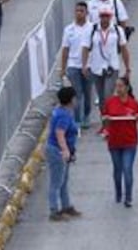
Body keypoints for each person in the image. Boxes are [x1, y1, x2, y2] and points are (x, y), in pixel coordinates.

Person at [100, 77, 138, 207]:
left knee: (127, 169)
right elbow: (104, 119)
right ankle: (118, 192)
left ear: (126, 88)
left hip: (129, 142)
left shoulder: (134, 103)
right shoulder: (110, 102)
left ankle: (129, 197)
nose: (118, 89)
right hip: (114, 141)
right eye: (117, 86)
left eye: (120, 86)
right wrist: (107, 119)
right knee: (117, 169)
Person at [83, 7, 131, 115]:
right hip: (96, 67)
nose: (105, 19)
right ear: (99, 17)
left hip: (112, 67)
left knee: (107, 95)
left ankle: (109, 119)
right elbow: (85, 48)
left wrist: (127, 68)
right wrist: (84, 65)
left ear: (110, 17)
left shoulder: (117, 30)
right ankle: (104, 120)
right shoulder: (92, 30)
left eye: (107, 16)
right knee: (101, 97)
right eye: (103, 16)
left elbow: (124, 49)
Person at [46, 86, 80, 221]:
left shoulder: (61, 111)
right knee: (56, 182)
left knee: (63, 180)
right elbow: (60, 134)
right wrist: (65, 151)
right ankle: (54, 210)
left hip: (58, 149)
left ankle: (66, 206)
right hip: (57, 151)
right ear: (71, 99)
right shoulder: (64, 115)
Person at [60, 2, 94, 129]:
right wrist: (63, 68)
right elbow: (65, 49)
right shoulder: (69, 30)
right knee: (77, 93)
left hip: (89, 65)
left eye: (82, 11)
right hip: (73, 64)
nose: (79, 13)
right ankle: (77, 119)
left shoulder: (92, 28)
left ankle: (86, 115)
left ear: (86, 13)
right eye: (77, 11)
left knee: (87, 93)